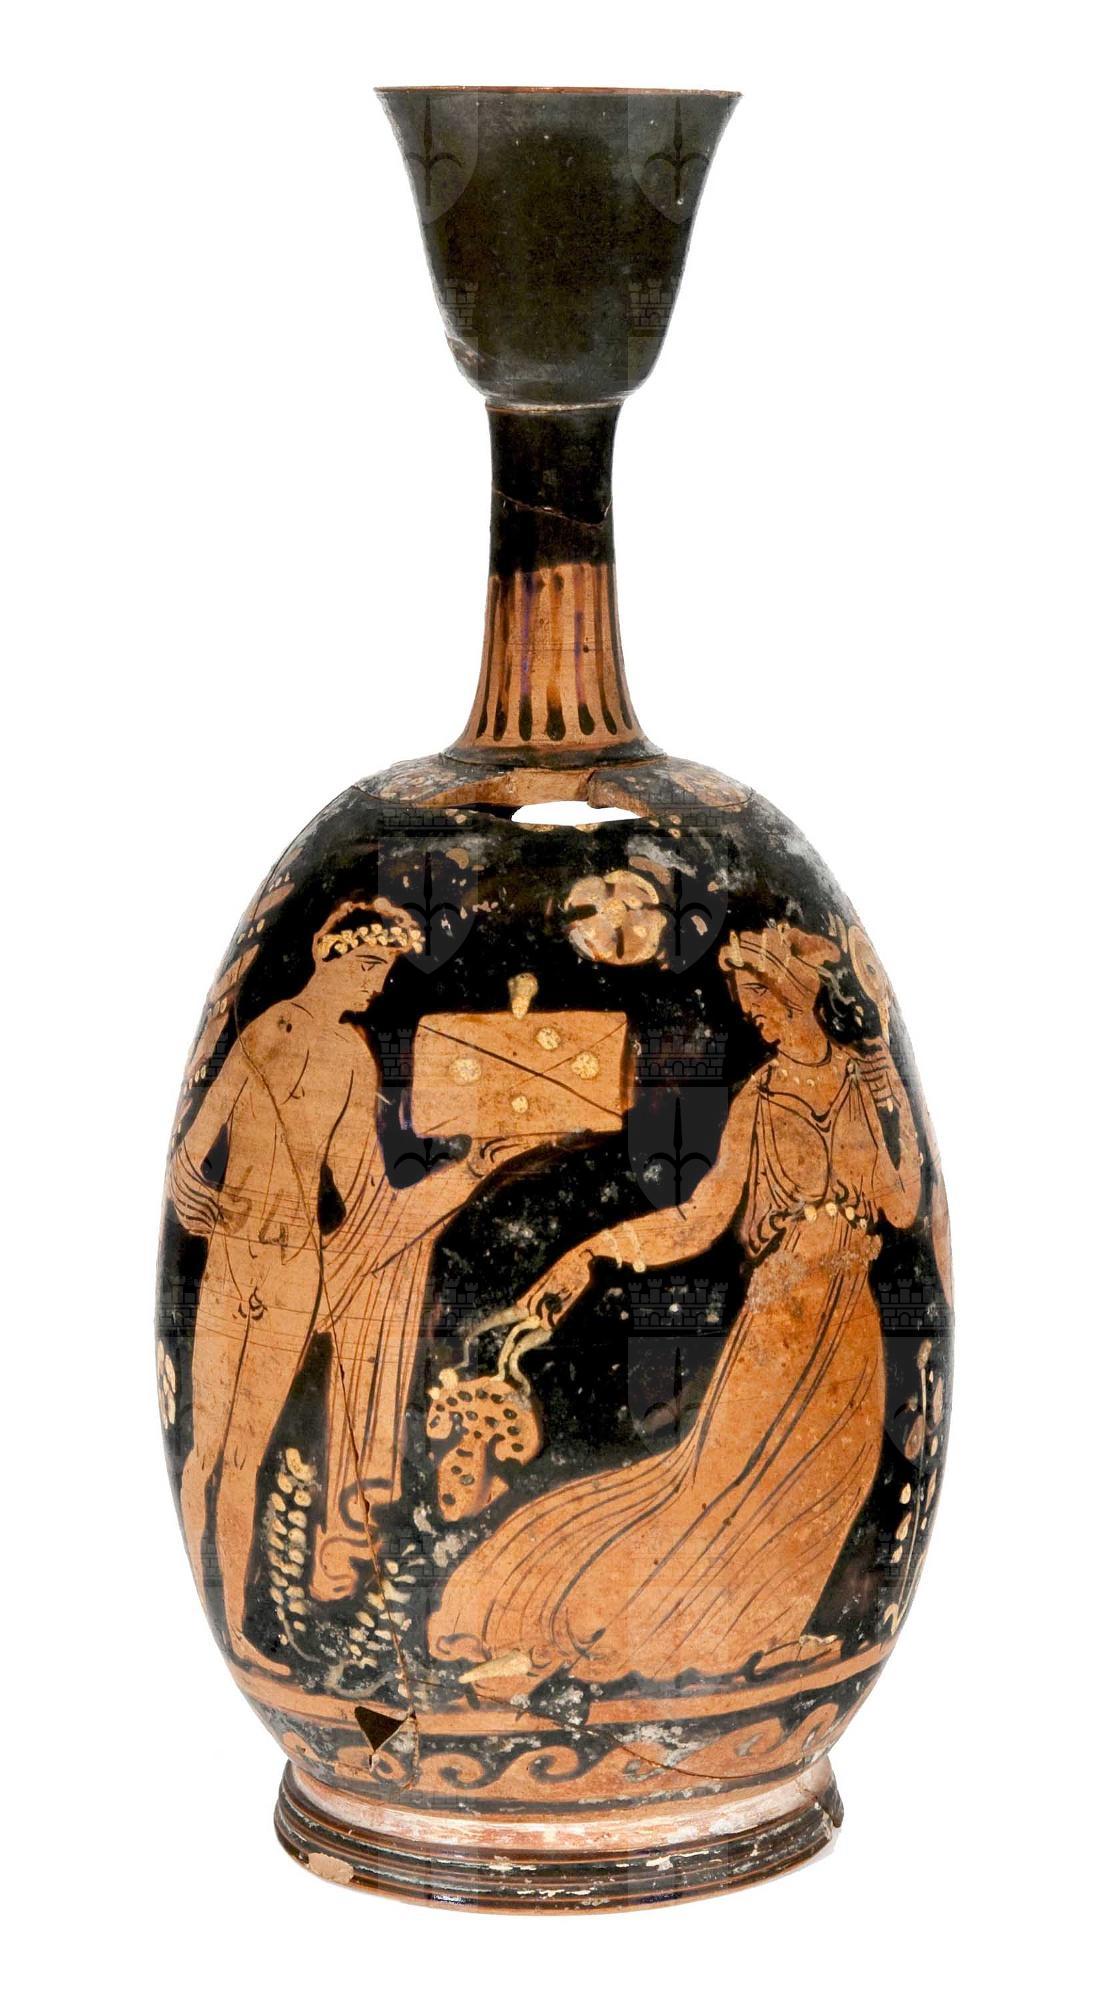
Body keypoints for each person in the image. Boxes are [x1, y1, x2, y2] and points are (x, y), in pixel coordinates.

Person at [428, 921, 923, 1696]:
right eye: (746, 1004)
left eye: (763, 999)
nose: (757, 1016)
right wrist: (591, 1252)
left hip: (850, 1308)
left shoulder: (864, 1081)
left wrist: (895, 1106)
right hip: (783, 1308)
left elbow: (901, 1208)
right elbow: (700, 1218)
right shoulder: (762, 1097)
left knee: (834, 1476)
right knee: (721, 1480)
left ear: (800, 992)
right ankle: (565, 1616)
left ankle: (772, 1636)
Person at [167, 898, 515, 1669]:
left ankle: (242, 1634)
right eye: (369, 966)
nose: (376, 984)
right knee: (205, 1450)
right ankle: (223, 1633)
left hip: (297, 1268)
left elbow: (370, 1196)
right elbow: (192, 1151)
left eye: (384, 971)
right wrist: (191, 1194)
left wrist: (470, 1171)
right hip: (233, 1258)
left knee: (245, 1458)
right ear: (331, 957)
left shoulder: (354, 1059)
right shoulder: (265, 1031)